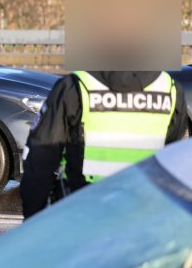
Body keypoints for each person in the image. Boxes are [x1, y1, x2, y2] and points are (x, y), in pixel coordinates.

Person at [21, 70, 188, 218]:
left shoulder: (76, 85)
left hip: (83, 210)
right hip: (143, 213)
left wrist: (32, 219)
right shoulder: (170, 88)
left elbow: (40, 158)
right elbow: (170, 157)